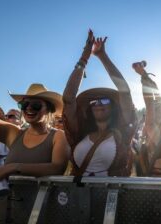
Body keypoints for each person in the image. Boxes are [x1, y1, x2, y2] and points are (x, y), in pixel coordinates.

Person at [63, 30, 137, 177]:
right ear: (90, 108)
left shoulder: (123, 131)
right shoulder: (80, 132)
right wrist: (84, 57)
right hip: (78, 196)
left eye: (104, 100)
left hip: (112, 196)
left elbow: (124, 90)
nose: (99, 104)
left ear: (114, 106)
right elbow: (68, 98)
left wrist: (102, 56)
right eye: (94, 102)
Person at [0, 83, 69, 180]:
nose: (28, 108)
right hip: (7, 195)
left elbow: (57, 168)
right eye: (24, 104)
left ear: (49, 109)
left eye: (36, 105)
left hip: (42, 195)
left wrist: (13, 167)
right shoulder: (15, 133)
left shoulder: (59, 136)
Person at [133, 61, 161, 176]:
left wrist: (148, 79)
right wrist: (143, 75)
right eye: (156, 110)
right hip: (157, 186)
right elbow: (149, 102)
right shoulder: (152, 131)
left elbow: (158, 99)